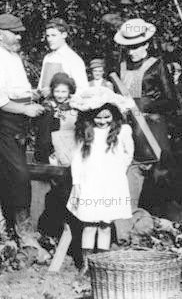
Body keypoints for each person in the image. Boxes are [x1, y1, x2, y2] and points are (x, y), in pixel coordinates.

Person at [0, 13, 46, 248]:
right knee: (18, 175)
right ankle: (23, 231)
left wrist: (34, 95)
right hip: (2, 122)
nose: (19, 36)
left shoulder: (13, 56)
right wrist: (25, 110)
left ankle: (17, 228)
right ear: (0, 35)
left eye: (20, 32)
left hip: (19, 119)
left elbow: (18, 89)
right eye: (14, 33)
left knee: (17, 173)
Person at [114, 18, 177, 219]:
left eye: (135, 47)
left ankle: (164, 219)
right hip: (127, 127)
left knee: (159, 175)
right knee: (129, 172)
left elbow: (172, 100)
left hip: (151, 129)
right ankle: (130, 219)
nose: (131, 51)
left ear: (146, 44)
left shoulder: (157, 66)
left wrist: (144, 105)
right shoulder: (121, 67)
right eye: (128, 47)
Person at [66, 88, 134, 269]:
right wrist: (77, 182)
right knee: (89, 224)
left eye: (107, 117)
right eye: (98, 117)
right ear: (90, 117)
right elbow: (77, 160)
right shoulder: (86, 132)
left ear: (114, 115)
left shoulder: (123, 131)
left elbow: (129, 153)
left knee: (105, 224)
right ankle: (86, 265)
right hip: (91, 183)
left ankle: (100, 265)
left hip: (111, 184)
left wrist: (119, 170)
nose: (103, 121)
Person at [35, 72, 78, 166]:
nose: (60, 95)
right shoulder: (48, 107)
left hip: (71, 145)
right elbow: (44, 134)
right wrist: (49, 152)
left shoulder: (75, 105)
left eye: (63, 92)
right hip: (53, 149)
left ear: (69, 91)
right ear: (52, 91)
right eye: (57, 91)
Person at [38, 18, 89, 97]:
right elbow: (41, 86)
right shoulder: (48, 57)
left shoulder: (73, 59)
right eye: (48, 36)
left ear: (64, 35)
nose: (50, 39)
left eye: (54, 35)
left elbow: (83, 90)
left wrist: (59, 93)